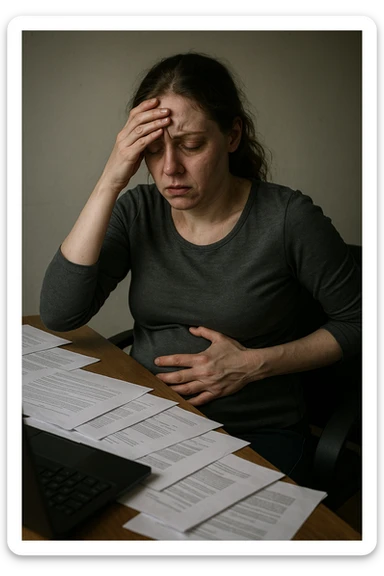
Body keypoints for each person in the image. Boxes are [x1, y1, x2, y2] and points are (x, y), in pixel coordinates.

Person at [40, 52, 361, 481]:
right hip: (149, 419)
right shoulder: (138, 210)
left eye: (191, 145)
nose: (170, 168)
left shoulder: (288, 219)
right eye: (152, 151)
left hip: (255, 434)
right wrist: (111, 179)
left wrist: (254, 364)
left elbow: (362, 321)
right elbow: (61, 313)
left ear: (231, 136)